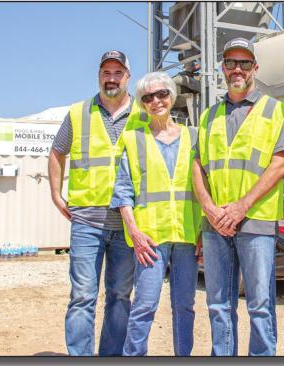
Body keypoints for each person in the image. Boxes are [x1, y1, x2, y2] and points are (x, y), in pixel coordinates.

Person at [192, 37, 284, 356]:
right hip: (215, 224)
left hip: (256, 222)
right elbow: (197, 164)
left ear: (255, 69)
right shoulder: (208, 116)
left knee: (260, 303)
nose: (237, 69)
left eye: (244, 63)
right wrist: (208, 208)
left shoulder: (276, 111)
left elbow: (280, 164)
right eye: (231, 63)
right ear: (222, 68)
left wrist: (241, 207)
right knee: (218, 304)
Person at [48, 50, 137, 356]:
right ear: (99, 76)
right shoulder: (78, 112)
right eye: (106, 72)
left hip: (128, 224)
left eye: (118, 73)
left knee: (121, 296)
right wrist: (56, 194)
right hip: (86, 222)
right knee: (83, 296)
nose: (111, 78)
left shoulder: (144, 113)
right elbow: (57, 152)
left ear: (128, 76)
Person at [110, 72, 201, 356]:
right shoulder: (134, 139)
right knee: (145, 305)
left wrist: (202, 231)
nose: (156, 101)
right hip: (150, 239)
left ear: (172, 96)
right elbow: (123, 191)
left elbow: (205, 187)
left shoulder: (193, 136)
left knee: (185, 306)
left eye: (162, 94)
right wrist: (135, 233)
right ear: (142, 104)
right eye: (148, 98)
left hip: (187, 235)